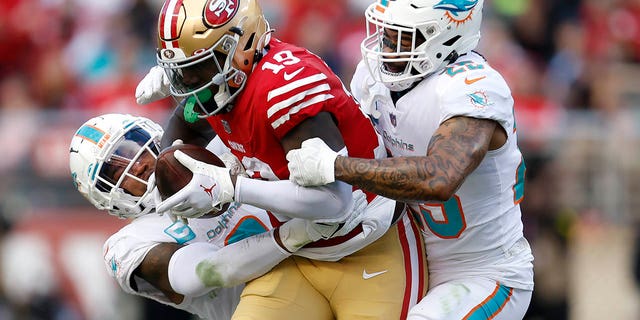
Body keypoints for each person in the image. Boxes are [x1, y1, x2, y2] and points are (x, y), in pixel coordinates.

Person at [134, 0, 427, 318]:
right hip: (297, 255)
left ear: (241, 45)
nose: (189, 82)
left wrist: (233, 187)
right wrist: (171, 165)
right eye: (181, 70)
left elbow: (335, 202)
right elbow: (187, 120)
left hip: (368, 243)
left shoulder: (283, 86)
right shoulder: (226, 82)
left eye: (198, 67)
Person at [286, 0, 535, 319]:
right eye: (386, 31)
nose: (387, 45)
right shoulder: (372, 78)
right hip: (403, 258)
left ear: (448, 36)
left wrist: (334, 166)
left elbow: (438, 178)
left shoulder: (474, 88)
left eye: (403, 36)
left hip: (481, 272)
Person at [68, 113, 368, 319]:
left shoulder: (211, 150)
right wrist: (295, 234)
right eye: (116, 169)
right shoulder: (129, 243)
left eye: (134, 146)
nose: (136, 163)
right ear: (103, 195)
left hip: (335, 263)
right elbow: (202, 273)